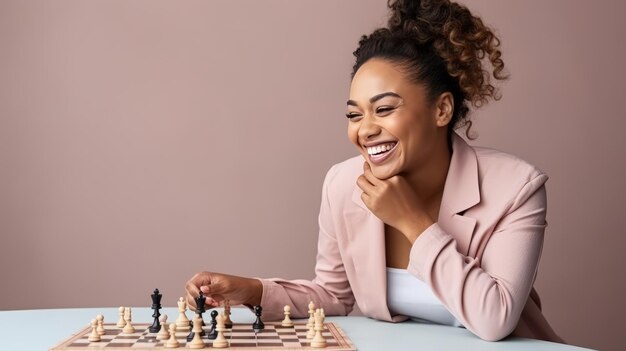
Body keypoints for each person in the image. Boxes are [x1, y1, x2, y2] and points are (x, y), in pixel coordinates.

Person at [186, 0, 563, 343]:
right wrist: (252, 291)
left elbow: (495, 317)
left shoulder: (516, 187)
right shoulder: (342, 184)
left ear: (442, 110)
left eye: (384, 109)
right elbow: (334, 295)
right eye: (354, 114)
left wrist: (413, 222)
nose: (364, 130)